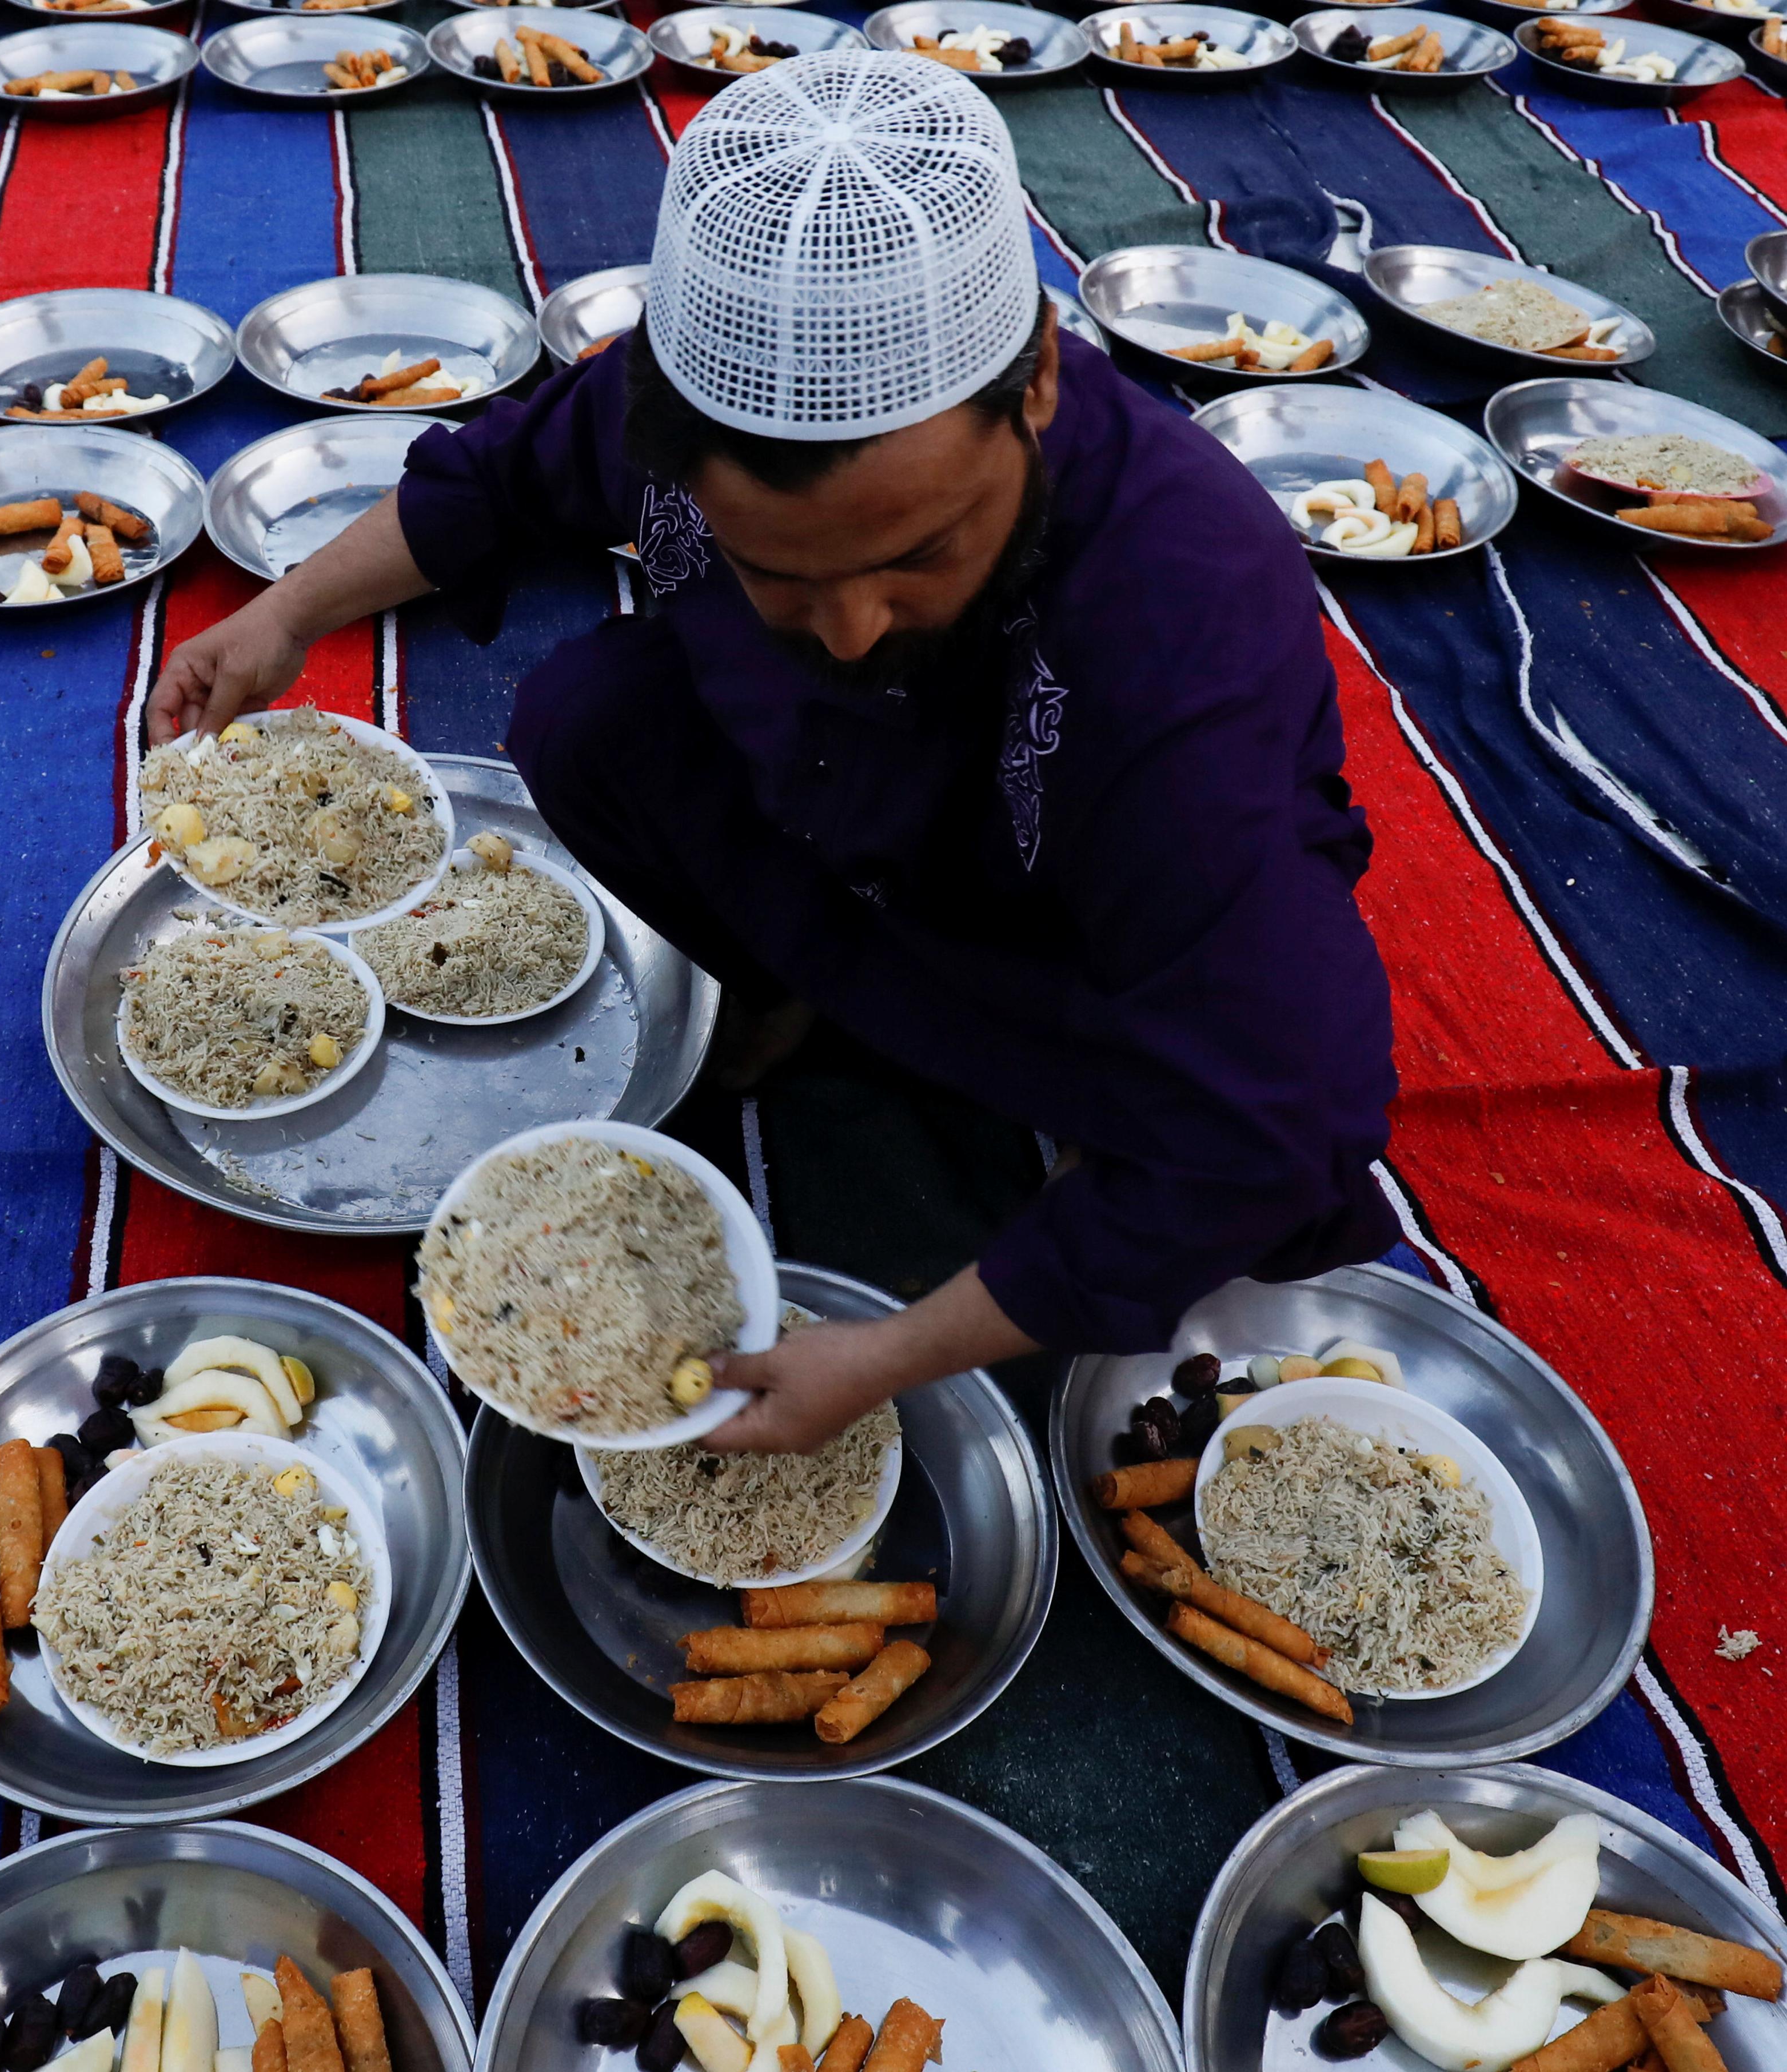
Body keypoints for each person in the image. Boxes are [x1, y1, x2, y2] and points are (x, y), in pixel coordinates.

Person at [146, 51, 1401, 1453]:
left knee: (1246, 1147)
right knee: (587, 717)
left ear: (1037, 379)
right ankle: (800, 979)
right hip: (836, 818)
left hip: (1059, 945)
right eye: (775, 572)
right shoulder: (672, 403)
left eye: (919, 554)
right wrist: (279, 616)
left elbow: (1279, 1112)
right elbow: (496, 482)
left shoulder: (1181, 620)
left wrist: (880, 1358)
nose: (855, 629)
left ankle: (1007, 1101)